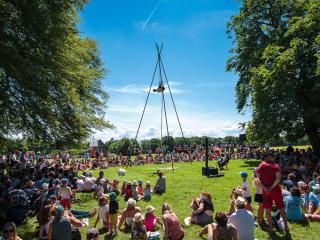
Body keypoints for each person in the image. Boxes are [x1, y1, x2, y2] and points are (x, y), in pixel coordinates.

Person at [256, 151, 289, 233]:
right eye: (272, 156)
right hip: (275, 190)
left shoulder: (261, 166)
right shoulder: (275, 166)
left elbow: (257, 180)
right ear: (268, 156)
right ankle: (286, 227)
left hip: (266, 190)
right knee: (280, 208)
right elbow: (278, 178)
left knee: (268, 209)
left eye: (274, 156)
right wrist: (271, 187)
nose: (274, 157)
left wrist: (266, 188)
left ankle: (271, 228)